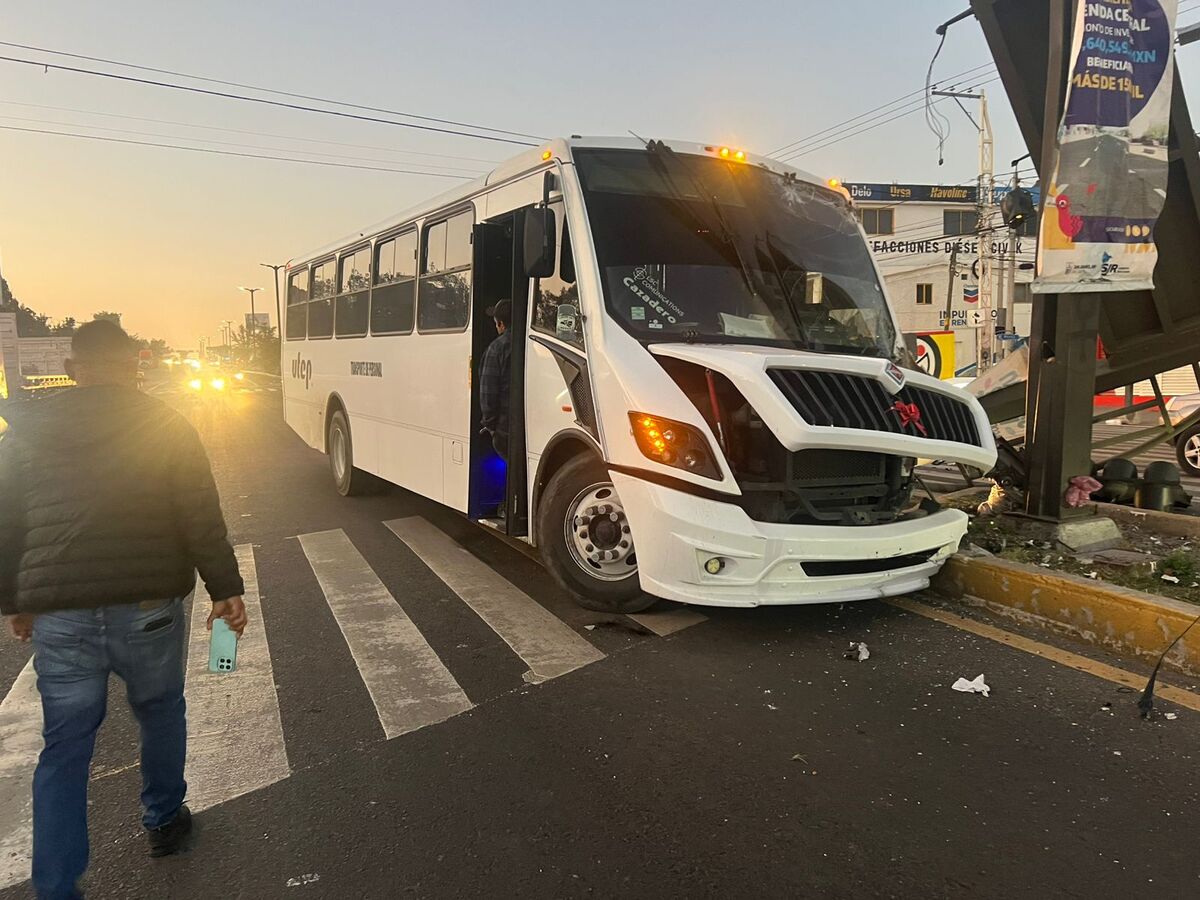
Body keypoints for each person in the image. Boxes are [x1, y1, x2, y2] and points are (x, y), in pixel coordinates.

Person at [0, 320, 247, 900]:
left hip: (61, 613)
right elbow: (199, 515)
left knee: (64, 748)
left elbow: (6, 524)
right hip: (148, 606)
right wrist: (225, 589)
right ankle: (163, 819)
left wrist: (15, 602)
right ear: (136, 366)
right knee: (160, 712)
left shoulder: (25, 433)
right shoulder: (165, 424)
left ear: (74, 367)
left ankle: (56, 888)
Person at [479, 299, 512, 461]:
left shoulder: (496, 348)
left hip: (504, 428)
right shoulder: (531, 344)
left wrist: (490, 425)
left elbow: (488, 392)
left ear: (500, 324)